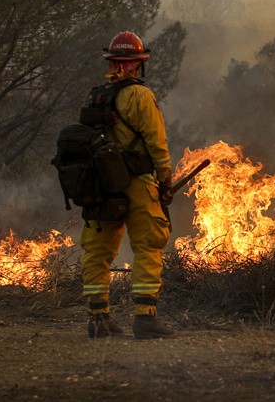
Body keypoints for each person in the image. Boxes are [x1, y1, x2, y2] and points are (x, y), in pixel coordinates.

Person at [80, 31, 175, 339]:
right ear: (137, 64)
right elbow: (156, 143)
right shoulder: (140, 96)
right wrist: (166, 180)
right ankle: (145, 319)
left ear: (112, 63)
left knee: (97, 251)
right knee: (148, 245)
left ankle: (99, 319)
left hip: (102, 186)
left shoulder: (96, 97)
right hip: (137, 182)